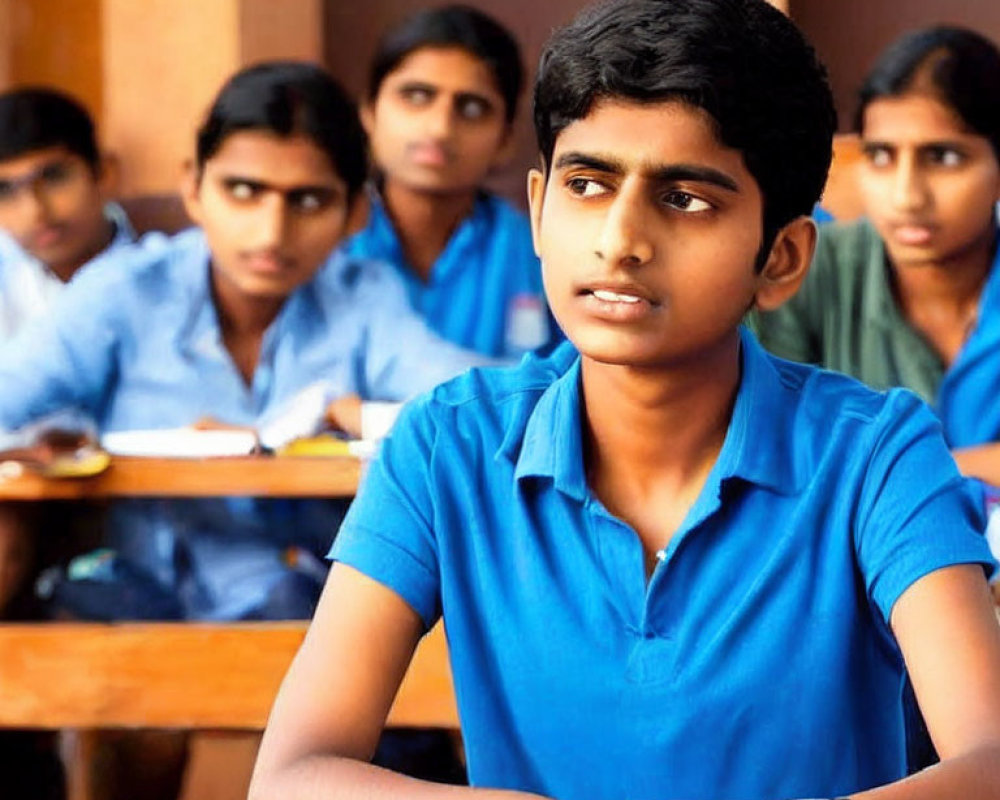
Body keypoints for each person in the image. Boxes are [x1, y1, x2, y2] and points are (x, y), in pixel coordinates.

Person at [249, 2, 1000, 799]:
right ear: (538, 209)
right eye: (586, 184)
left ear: (780, 257)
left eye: (685, 199)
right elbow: (293, 775)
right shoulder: (446, 446)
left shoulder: (876, 455)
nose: (619, 239)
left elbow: (989, 764)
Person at [0, 61, 484, 623]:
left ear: (355, 213)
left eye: (307, 200)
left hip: (304, 614)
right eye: (243, 191)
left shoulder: (364, 299)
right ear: (194, 188)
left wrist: (355, 416)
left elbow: (481, 408)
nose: (271, 232)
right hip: (135, 602)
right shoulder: (126, 290)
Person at [749, 27, 1000, 490]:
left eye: (943, 157)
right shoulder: (806, 271)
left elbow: (840, 466)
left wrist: (893, 464)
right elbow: (778, 453)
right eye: (881, 155)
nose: (906, 196)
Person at [342, 5, 559, 359]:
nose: (440, 128)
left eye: (471, 108)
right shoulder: (327, 239)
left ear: (505, 139)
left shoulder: (536, 252)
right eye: (416, 96)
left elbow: (562, 382)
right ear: (368, 112)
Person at [0, 87, 136, 340]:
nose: (35, 211)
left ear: (104, 174)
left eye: (53, 178)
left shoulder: (173, 272)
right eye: (4, 191)